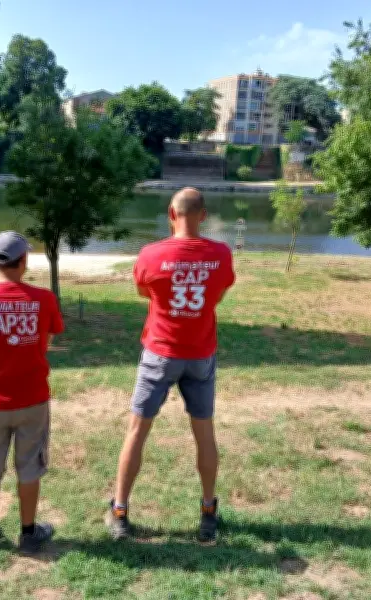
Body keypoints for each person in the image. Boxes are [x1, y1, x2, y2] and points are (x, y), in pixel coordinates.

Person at [106, 187, 236, 544]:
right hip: (199, 355)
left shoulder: (150, 255)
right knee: (204, 432)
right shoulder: (221, 254)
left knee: (137, 431)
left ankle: (120, 511)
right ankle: (208, 510)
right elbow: (216, 298)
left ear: (170, 213)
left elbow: (143, 293)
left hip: (160, 353)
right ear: (203, 216)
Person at [0, 231, 64, 553]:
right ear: (24, 261)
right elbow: (48, 339)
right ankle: (29, 532)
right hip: (32, 398)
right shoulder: (44, 299)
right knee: (29, 467)